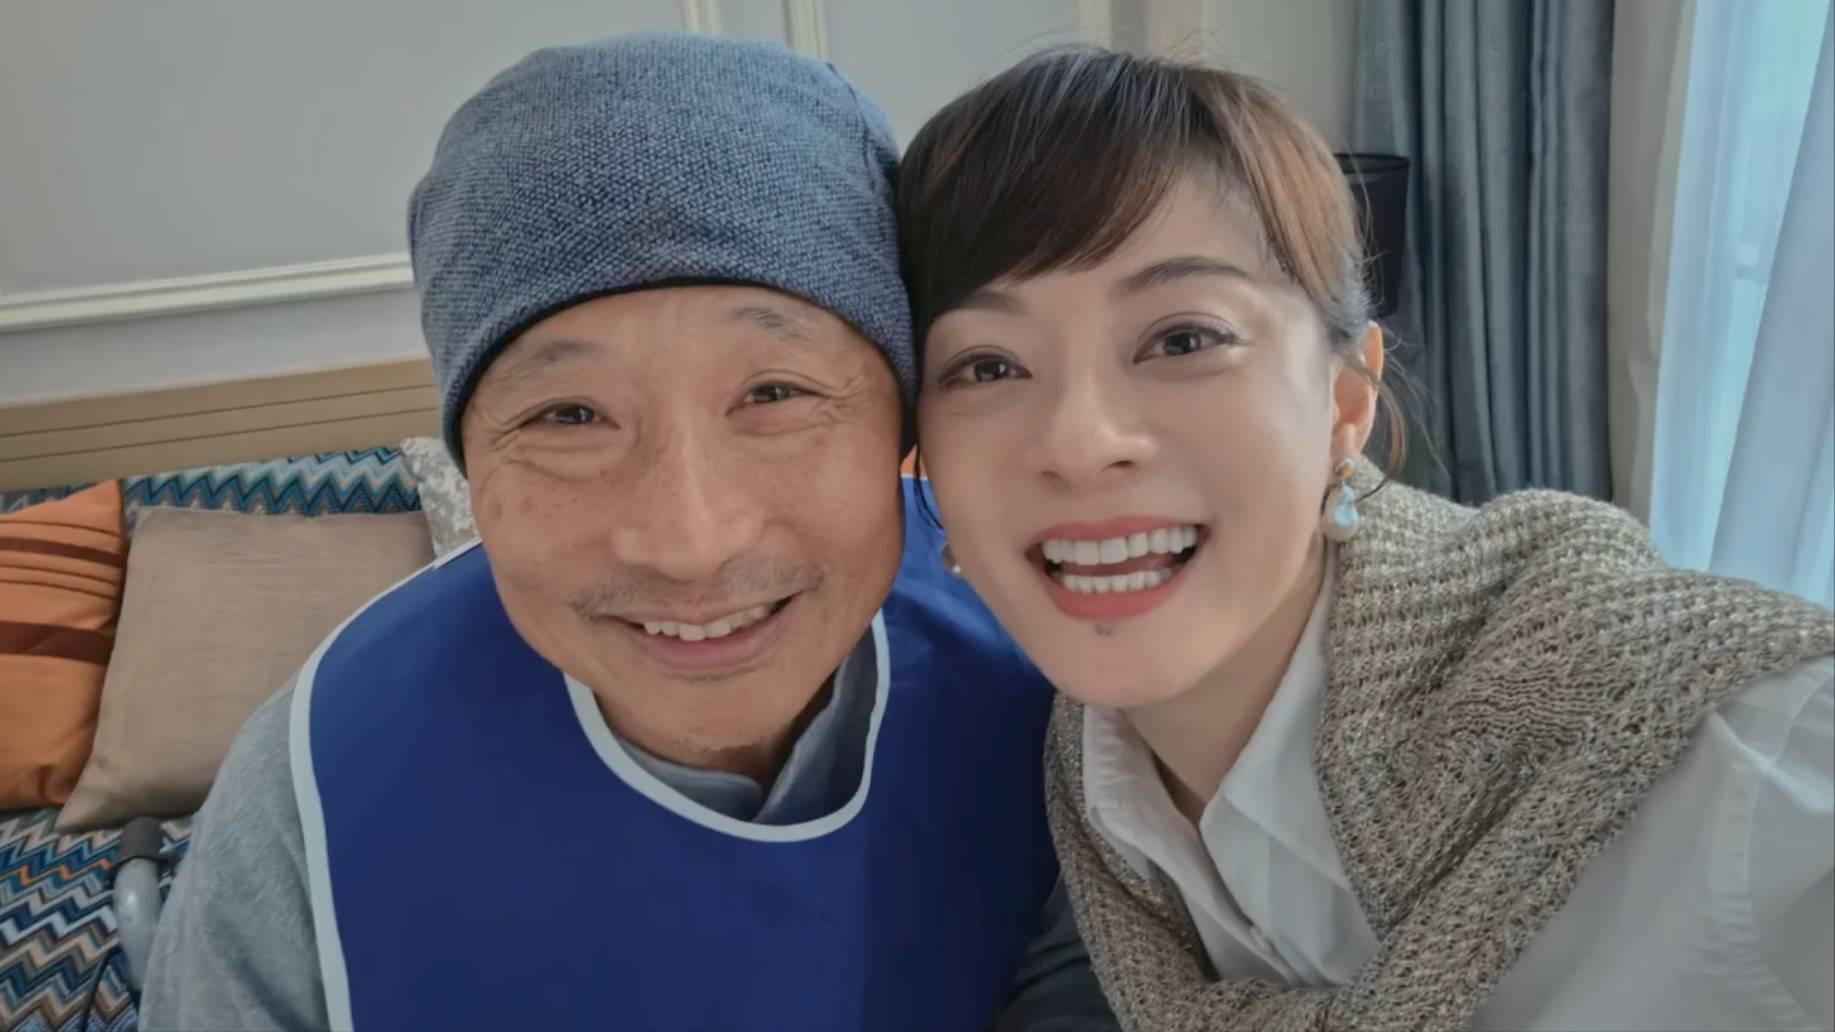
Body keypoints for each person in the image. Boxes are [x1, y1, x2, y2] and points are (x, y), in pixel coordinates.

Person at [142, 34, 1114, 1031]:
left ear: (902, 427)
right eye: (567, 416)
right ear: (472, 464)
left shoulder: (1049, 684)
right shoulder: (317, 792)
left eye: (775, 394)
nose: (691, 542)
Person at [897, 45, 1835, 1031]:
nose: (1080, 443)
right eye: (986, 366)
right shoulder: (1084, 783)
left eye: (1182, 339)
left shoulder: (1720, 758)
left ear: (1345, 401)